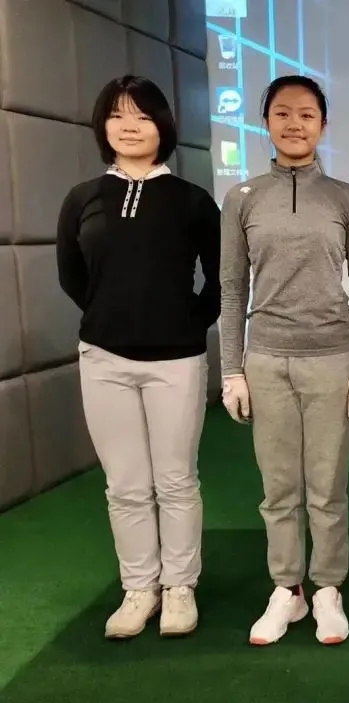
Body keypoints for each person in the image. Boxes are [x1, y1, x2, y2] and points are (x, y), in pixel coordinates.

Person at [55, 75, 221, 639]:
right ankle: (139, 588)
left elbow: (220, 279)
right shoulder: (82, 198)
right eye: (118, 115)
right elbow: (72, 276)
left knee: (175, 480)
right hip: (104, 359)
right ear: (102, 125)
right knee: (125, 484)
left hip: (176, 361)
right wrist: (110, 317)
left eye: (143, 116)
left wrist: (187, 323)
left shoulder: (192, 200)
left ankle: (179, 587)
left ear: (163, 126)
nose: (130, 126)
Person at [217, 75, 349, 646]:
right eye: (282, 113)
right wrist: (231, 370)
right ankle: (287, 589)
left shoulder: (345, 198)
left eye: (307, 114)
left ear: (323, 125)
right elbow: (232, 289)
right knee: (279, 489)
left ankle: (328, 588)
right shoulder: (242, 198)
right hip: (266, 361)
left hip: (333, 359)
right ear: (266, 123)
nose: (294, 124)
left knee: (327, 489)